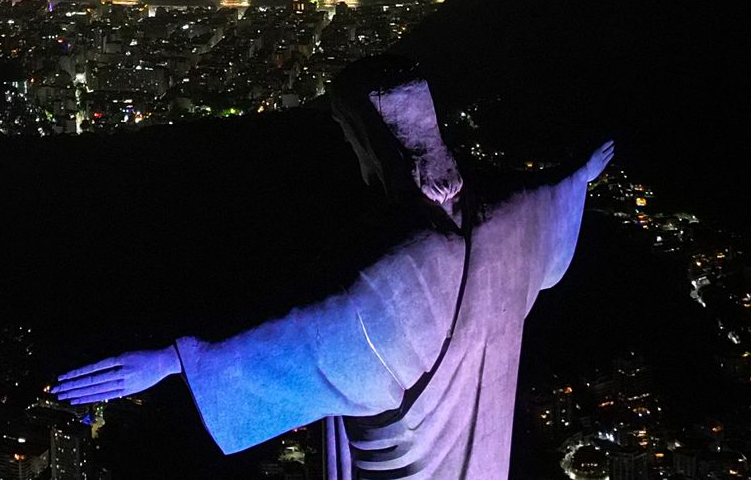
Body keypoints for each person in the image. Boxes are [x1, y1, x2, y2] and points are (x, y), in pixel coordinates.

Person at [54, 55, 614, 479]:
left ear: (376, 144)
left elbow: (315, 340)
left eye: (353, 138)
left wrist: (178, 360)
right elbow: (548, 193)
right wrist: (581, 175)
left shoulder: (405, 268)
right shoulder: (508, 216)